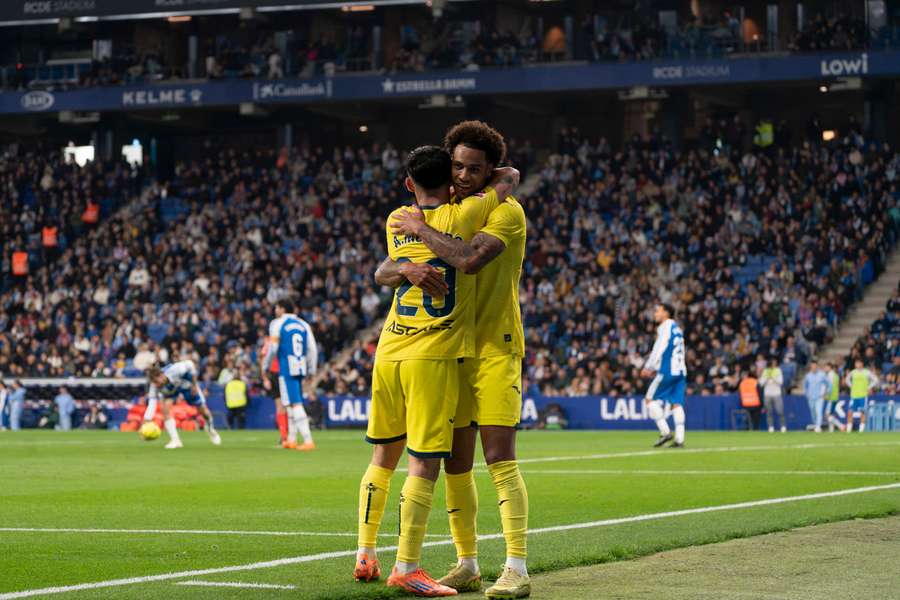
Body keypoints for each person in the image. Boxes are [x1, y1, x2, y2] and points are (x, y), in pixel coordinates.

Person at [377, 120, 528, 597]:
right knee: (456, 464)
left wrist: (422, 227)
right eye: (458, 166)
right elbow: (389, 265)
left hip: (496, 348)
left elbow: (469, 259)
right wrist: (405, 261)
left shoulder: (506, 214)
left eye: (475, 169)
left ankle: (517, 567)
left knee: (499, 457)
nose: (463, 175)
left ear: (489, 171)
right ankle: (467, 562)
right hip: (452, 349)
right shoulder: (452, 209)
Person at [262, 299, 317, 450]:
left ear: (281, 309)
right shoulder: (304, 324)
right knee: (289, 404)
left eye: (276, 307)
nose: (275, 310)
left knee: (296, 403)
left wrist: (265, 365)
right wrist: (311, 370)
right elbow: (312, 349)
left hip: (287, 367)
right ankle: (291, 439)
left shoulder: (277, 324)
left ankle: (308, 440)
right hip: (301, 366)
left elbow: (273, 348)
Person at [143, 360, 221, 449]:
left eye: (157, 382)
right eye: (154, 383)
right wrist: (146, 421)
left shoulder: (175, 369)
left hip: (186, 385)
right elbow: (152, 403)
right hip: (171, 390)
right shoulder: (154, 386)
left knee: (204, 412)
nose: (156, 385)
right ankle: (176, 440)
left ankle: (211, 429)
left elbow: (190, 364)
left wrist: (195, 385)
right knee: (164, 408)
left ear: (161, 376)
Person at [641, 303, 687, 448]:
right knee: (676, 403)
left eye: (658, 311)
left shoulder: (665, 325)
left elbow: (659, 347)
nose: (655, 314)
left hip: (668, 371)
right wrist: (657, 367)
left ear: (666, 313)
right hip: (680, 371)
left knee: (649, 399)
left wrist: (648, 366)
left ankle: (665, 431)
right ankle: (679, 439)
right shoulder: (677, 328)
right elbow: (673, 351)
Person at [260, 335, 289, 447]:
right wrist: (265, 378)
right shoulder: (275, 340)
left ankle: (285, 437)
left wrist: (265, 378)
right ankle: (285, 437)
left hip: (279, 374)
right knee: (283, 406)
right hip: (279, 374)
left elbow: (263, 359)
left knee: (283, 406)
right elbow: (263, 358)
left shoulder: (270, 340)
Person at [845, 359, 879, 433]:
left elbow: (876, 380)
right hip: (853, 396)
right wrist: (851, 386)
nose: (857, 365)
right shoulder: (853, 372)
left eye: (859, 363)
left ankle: (861, 430)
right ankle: (848, 430)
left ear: (862, 364)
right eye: (856, 363)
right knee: (850, 412)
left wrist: (869, 387)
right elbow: (847, 380)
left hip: (863, 396)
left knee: (862, 413)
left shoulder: (866, 372)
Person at [802, 361, 830, 432]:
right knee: (813, 412)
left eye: (815, 366)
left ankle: (818, 426)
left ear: (817, 366)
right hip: (811, 397)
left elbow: (829, 384)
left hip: (819, 397)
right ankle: (816, 424)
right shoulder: (808, 376)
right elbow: (805, 386)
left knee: (819, 411)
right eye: (812, 366)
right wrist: (806, 394)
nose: (813, 367)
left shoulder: (822, 375)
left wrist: (826, 393)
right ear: (810, 367)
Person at [759, 359, 786, 432]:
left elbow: (781, 382)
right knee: (769, 411)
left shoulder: (778, 370)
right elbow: (761, 383)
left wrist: (773, 378)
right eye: (772, 363)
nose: (773, 364)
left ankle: (783, 426)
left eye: (775, 363)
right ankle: (770, 427)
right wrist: (766, 378)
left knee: (780, 410)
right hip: (767, 394)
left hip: (777, 394)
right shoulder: (765, 371)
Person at [823, 362, 843, 432]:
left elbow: (830, 386)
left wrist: (826, 394)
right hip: (835, 396)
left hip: (831, 397)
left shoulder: (830, 375)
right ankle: (831, 430)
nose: (825, 369)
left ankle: (841, 426)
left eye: (826, 367)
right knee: (830, 414)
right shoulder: (836, 375)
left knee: (827, 415)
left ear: (829, 367)